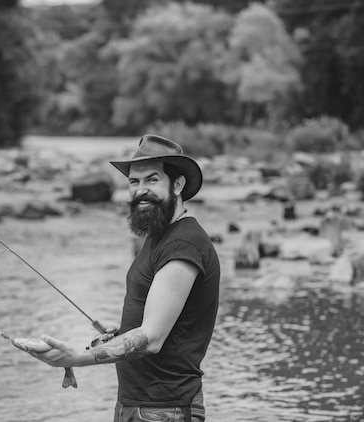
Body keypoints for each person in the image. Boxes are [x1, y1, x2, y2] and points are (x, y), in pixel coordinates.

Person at [12, 134, 221, 422]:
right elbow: (155, 322)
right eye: (134, 182)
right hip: (137, 403)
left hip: (164, 409)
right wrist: (120, 334)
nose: (141, 191)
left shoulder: (184, 244)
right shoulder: (160, 236)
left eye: (152, 180)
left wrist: (76, 357)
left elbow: (152, 338)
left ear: (177, 184)